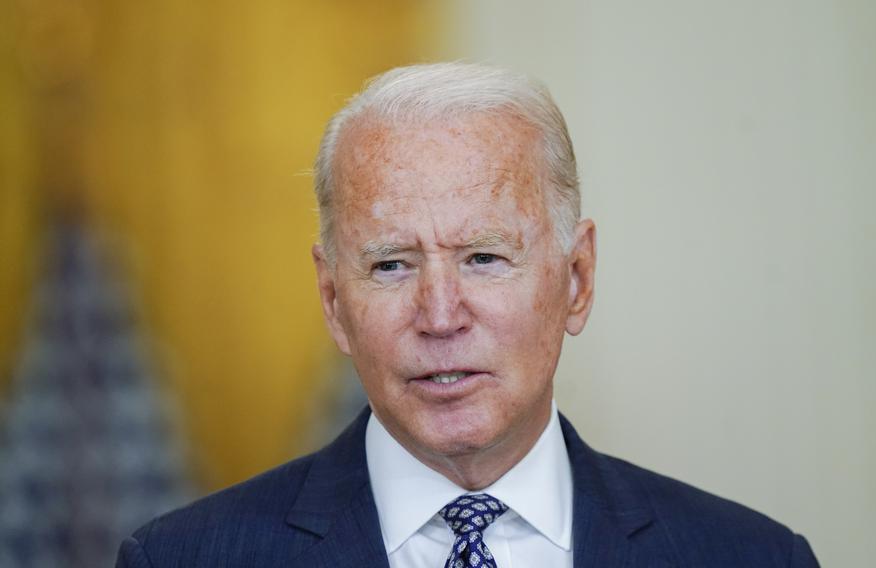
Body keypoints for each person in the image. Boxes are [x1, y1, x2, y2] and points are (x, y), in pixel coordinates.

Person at [116, 62, 820, 567]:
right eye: (392, 264)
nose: (441, 315)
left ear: (576, 279)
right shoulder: (181, 558)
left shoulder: (752, 556)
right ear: (334, 303)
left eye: (484, 257)